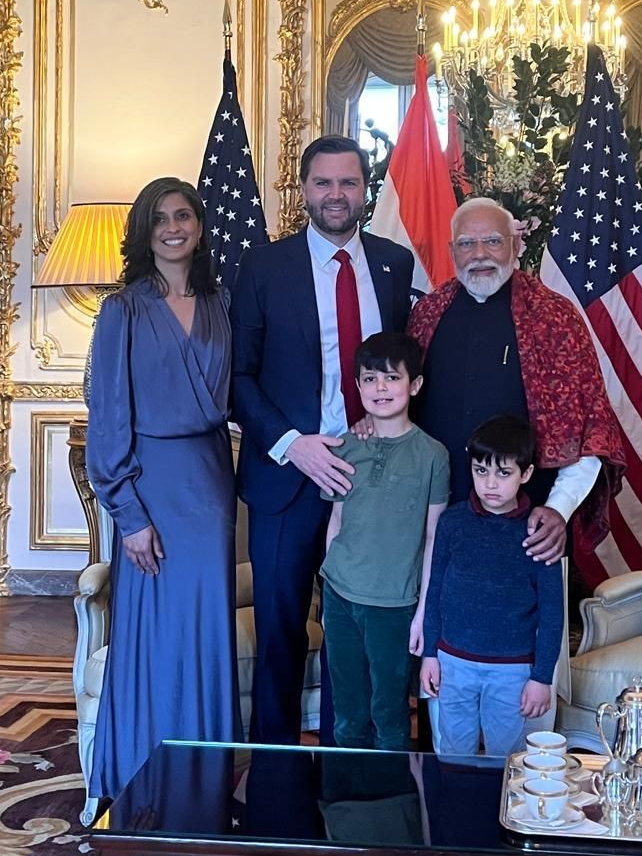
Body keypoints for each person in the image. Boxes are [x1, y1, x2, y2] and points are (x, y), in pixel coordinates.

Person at [232, 136, 415, 744]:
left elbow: (400, 370)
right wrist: (293, 443)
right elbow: (238, 376)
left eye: (348, 182)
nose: (336, 194)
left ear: (366, 189)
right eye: (324, 183)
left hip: (371, 477)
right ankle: (276, 773)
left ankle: (350, 766)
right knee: (280, 631)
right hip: (287, 476)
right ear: (304, 190)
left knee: (356, 631)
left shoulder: (394, 265)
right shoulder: (263, 267)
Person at [86, 176, 240, 800]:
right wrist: (129, 515)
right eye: (160, 219)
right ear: (144, 233)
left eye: (183, 216)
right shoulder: (122, 310)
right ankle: (142, 785)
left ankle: (203, 788)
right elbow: (107, 416)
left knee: (205, 633)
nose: (173, 228)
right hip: (149, 487)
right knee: (154, 634)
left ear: (200, 226)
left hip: (211, 483)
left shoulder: (222, 303)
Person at [408, 197, 625, 570]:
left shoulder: (555, 317)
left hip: (530, 521)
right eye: (467, 243)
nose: (480, 254)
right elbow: (397, 405)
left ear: (515, 244)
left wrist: (559, 508)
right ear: (452, 250)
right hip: (439, 515)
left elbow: (590, 426)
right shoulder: (426, 314)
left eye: (493, 241)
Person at [320, 332, 449, 751]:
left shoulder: (433, 455)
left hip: (394, 605)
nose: (380, 388)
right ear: (357, 386)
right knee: (347, 716)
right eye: (370, 378)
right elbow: (336, 521)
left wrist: (423, 614)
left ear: (415, 384)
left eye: (392, 378)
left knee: (389, 715)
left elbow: (433, 537)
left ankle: (390, 794)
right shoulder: (344, 446)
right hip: (340, 597)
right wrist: (326, 593)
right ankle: (344, 793)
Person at [419, 415, 564, 757]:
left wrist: (542, 677)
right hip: (453, 663)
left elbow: (553, 614)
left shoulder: (539, 533)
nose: (490, 484)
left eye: (504, 473)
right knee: (454, 755)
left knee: (505, 759)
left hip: (511, 671)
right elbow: (435, 592)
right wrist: (429, 655)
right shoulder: (452, 522)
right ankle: (454, 795)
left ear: (526, 474)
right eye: (481, 471)